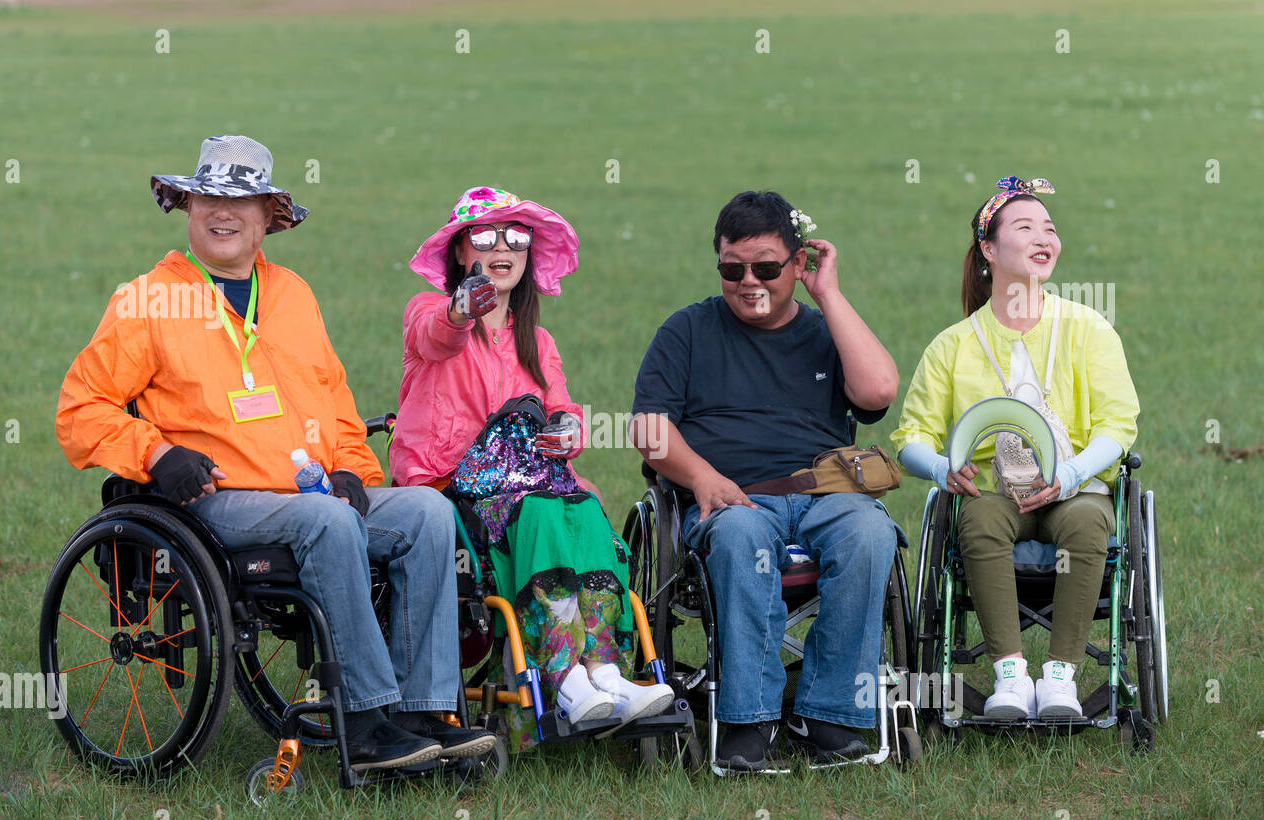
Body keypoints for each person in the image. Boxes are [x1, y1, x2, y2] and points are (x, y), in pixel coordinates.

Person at [55, 134, 494, 771]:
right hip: (217, 500)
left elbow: (336, 403)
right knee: (330, 520)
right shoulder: (148, 299)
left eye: (240, 202)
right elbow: (79, 409)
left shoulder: (292, 294)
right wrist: (154, 453)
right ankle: (367, 724)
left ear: (268, 218)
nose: (221, 213)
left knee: (426, 511)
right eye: (207, 199)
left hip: (309, 493)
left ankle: (422, 712)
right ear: (188, 208)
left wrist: (352, 467)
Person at [394, 186, 674, 751]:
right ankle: (565, 677)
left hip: (531, 483)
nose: (504, 248)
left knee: (586, 506)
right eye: (487, 237)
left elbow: (562, 406)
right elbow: (437, 335)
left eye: (517, 238)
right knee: (548, 508)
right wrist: (462, 307)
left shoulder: (536, 342)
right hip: (454, 482)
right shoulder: (428, 311)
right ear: (458, 252)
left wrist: (570, 429)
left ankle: (606, 671)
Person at [631, 190, 901, 770]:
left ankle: (828, 713)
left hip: (823, 491)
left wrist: (826, 294)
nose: (749, 281)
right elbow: (651, 432)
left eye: (768, 267)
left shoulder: (824, 328)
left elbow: (877, 391)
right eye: (733, 268)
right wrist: (702, 477)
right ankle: (749, 719)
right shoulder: (687, 331)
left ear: (798, 264)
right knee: (740, 537)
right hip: (731, 494)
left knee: (871, 534)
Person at [891, 176, 1140, 719]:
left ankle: (1059, 680)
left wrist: (1071, 474)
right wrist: (941, 469)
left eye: (1049, 228)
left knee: (1088, 523)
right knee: (978, 521)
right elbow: (910, 436)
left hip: (1073, 487)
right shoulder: (952, 346)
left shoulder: (1087, 328)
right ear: (988, 249)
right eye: (1025, 227)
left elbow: (1118, 426)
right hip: (993, 492)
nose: (1043, 237)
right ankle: (1009, 674)